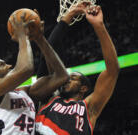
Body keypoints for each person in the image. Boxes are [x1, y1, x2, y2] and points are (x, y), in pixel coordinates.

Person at [0, 11, 69, 135]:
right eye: (2, 65)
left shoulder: (25, 92)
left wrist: (40, 39)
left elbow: (61, 76)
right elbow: (25, 70)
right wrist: (22, 36)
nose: (9, 65)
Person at [35, 4, 120, 135]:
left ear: (84, 88)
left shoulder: (89, 108)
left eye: (73, 78)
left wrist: (99, 26)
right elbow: (48, 52)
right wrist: (68, 16)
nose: (67, 80)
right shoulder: (49, 98)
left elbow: (112, 70)